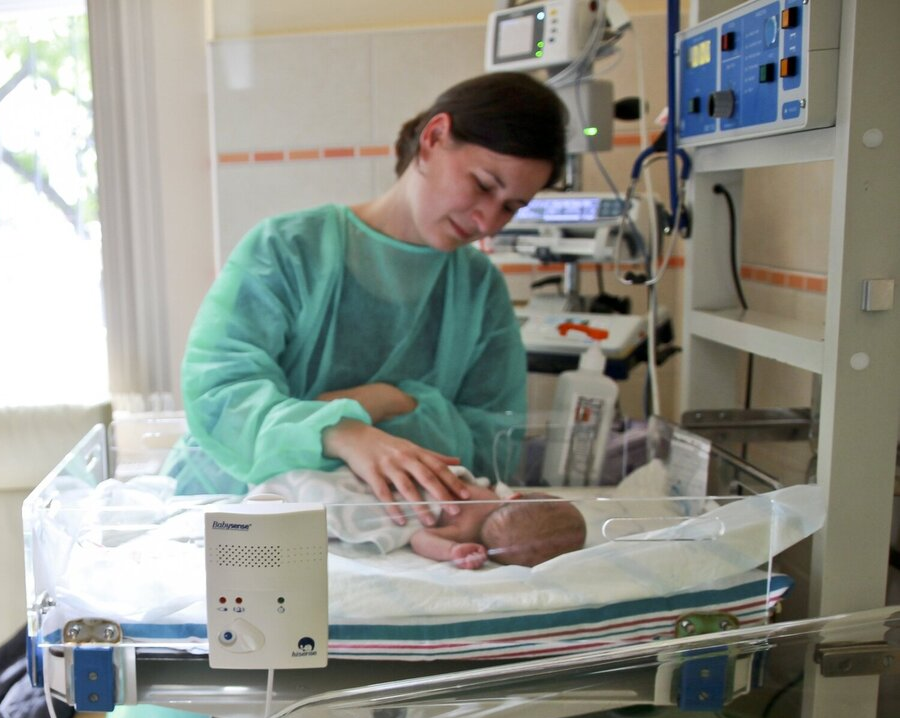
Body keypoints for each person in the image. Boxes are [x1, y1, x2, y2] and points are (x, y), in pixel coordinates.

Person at [174, 72, 568, 527]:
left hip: (392, 529)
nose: (488, 222)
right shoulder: (289, 250)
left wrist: (395, 401)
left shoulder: (481, 292)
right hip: (239, 519)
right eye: (482, 184)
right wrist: (342, 431)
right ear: (433, 139)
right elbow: (220, 395)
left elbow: (492, 449)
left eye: (511, 207)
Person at [250, 467, 587, 569]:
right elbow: (422, 538)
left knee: (326, 497)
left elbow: (418, 535)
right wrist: (453, 551)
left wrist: (451, 550)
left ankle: (275, 500)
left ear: (514, 496)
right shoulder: (465, 527)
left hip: (389, 499)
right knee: (328, 499)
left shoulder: (477, 504)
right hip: (395, 488)